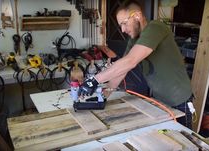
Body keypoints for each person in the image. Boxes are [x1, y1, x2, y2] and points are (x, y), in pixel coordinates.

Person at [78, 0, 194, 129]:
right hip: (159, 100)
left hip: (179, 100)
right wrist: (103, 97)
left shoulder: (155, 27)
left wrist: (93, 81)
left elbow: (130, 61)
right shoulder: (134, 39)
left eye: (124, 23)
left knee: (185, 141)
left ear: (137, 16)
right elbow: (123, 68)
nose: (122, 29)